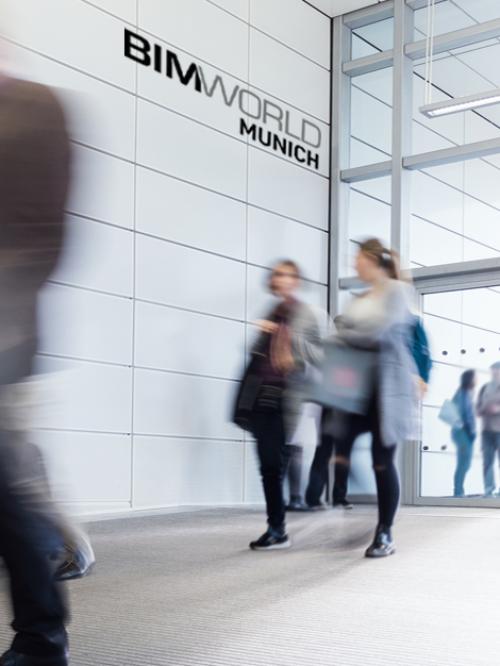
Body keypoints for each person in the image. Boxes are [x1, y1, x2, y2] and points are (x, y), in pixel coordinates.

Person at [0, 73, 71, 665]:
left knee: (7, 486)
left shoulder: (31, 105)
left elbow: (48, 235)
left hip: (4, 333)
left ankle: (44, 634)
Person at [318, 238, 418, 558]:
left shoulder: (397, 291)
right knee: (340, 445)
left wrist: (342, 334)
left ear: (372, 259)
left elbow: (380, 333)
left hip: (386, 391)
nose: (353, 264)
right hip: (357, 390)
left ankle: (384, 531)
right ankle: (347, 506)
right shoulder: (359, 299)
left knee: (382, 460)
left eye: (357, 259)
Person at [233, 260, 322, 550]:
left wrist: (290, 341)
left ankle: (278, 526)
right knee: (269, 467)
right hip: (260, 398)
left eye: (287, 274)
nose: (281, 279)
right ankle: (276, 528)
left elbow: (322, 355)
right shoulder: (272, 312)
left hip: (286, 399)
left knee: (276, 463)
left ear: (296, 280)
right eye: (277, 274)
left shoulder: (306, 313)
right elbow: (256, 356)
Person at [450, 370, 477, 498]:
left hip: (461, 433)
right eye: (475, 378)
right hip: (463, 433)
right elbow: (464, 415)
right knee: (464, 463)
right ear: (469, 379)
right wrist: (471, 433)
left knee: (464, 463)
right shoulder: (463, 394)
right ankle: (458, 492)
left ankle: (458, 491)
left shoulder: (464, 393)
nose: (476, 380)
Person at [476, 362, 500, 497]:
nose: (495, 373)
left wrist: (497, 409)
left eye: (497, 370)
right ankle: (488, 490)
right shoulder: (485, 388)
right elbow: (478, 407)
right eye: (493, 370)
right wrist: (480, 411)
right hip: (486, 430)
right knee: (487, 462)